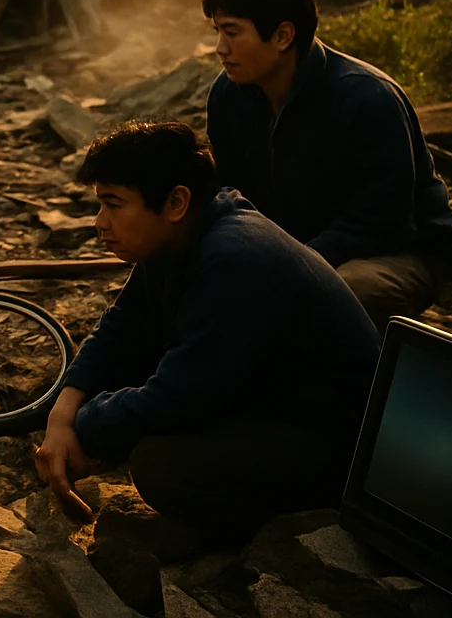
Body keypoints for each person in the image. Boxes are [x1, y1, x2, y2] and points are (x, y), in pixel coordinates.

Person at [33, 122, 380, 543]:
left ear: (175, 201)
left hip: (336, 441)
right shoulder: (182, 232)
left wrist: (88, 429)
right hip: (263, 399)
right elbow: (122, 327)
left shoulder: (233, 258)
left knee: (161, 465)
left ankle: (284, 532)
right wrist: (62, 413)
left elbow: (179, 397)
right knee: (137, 377)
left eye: (114, 205)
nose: (99, 223)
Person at [202, 0, 452, 333]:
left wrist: (291, 265)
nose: (220, 49)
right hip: (293, 249)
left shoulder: (365, 96)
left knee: (335, 296)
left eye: (232, 32)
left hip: (397, 251)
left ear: (282, 36)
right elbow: (227, 193)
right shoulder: (228, 94)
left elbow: (382, 219)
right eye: (218, 32)